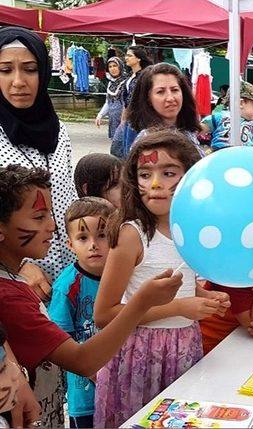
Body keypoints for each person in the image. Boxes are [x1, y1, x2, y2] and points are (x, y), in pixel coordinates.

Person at [0, 164, 184, 427]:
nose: (53, 226)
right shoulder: (10, 298)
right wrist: (142, 302)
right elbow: (83, 361)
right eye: (39, 217)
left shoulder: (13, 281)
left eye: (50, 215)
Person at [93, 131, 230, 428]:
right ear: (133, 180)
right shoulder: (132, 235)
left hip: (183, 348)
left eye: (169, 173)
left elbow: (182, 285)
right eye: (145, 174)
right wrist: (180, 309)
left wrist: (206, 299)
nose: (155, 184)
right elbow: (104, 315)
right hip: (138, 355)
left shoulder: (190, 232)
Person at [0, 27, 76, 299]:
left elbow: (69, 195)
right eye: (6, 70)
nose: (18, 81)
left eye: (30, 69)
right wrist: (19, 265)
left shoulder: (59, 131)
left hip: (71, 277)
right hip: (15, 283)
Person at [48, 197, 115, 429]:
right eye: (83, 238)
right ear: (70, 244)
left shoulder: (125, 275)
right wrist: (89, 368)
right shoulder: (66, 286)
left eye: (102, 235)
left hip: (124, 383)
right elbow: (59, 339)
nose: (93, 244)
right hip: (85, 395)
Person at [122, 63, 204, 157]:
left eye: (174, 90)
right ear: (148, 98)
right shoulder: (148, 142)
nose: (170, 98)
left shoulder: (188, 133)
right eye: (160, 92)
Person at [200, 81, 253, 151]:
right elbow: (199, 129)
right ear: (241, 103)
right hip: (220, 154)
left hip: (244, 156)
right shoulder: (219, 117)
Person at [95, 57, 127, 139]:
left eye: (115, 66)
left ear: (120, 66)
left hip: (125, 121)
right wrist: (100, 115)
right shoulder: (110, 83)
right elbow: (108, 102)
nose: (113, 69)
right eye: (110, 67)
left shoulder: (127, 82)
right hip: (113, 120)